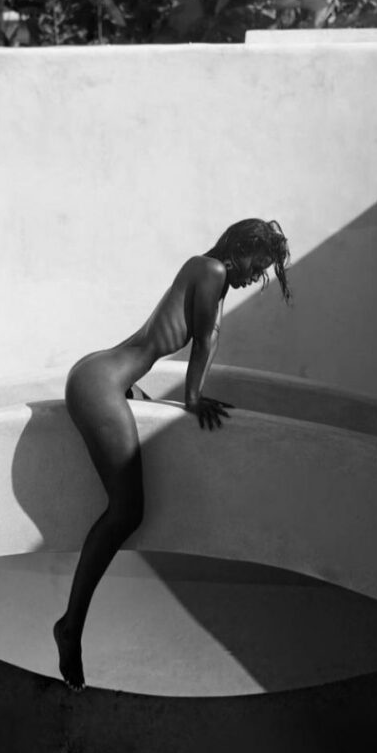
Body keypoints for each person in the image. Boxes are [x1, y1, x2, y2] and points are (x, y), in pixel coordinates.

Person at [53, 217, 291, 690]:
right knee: (126, 512)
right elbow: (207, 338)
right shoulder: (211, 270)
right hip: (101, 384)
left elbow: (196, 333)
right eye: (257, 265)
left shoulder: (204, 272)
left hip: (106, 375)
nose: (255, 276)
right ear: (239, 248)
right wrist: (194, 399)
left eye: (264, 271)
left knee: (128, 505)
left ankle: (70, 625)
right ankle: (70, 626)